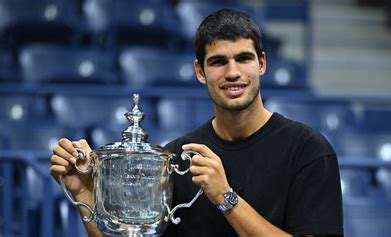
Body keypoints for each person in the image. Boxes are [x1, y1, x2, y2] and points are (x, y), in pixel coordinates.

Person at [50, 9, 343, 237]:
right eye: (218, 62)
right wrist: (86, 193)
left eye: (244, 59)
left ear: (262, 64)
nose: (232, 72)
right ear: (200, 71)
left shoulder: (309, 150)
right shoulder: (176, 157)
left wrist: (226, 198)